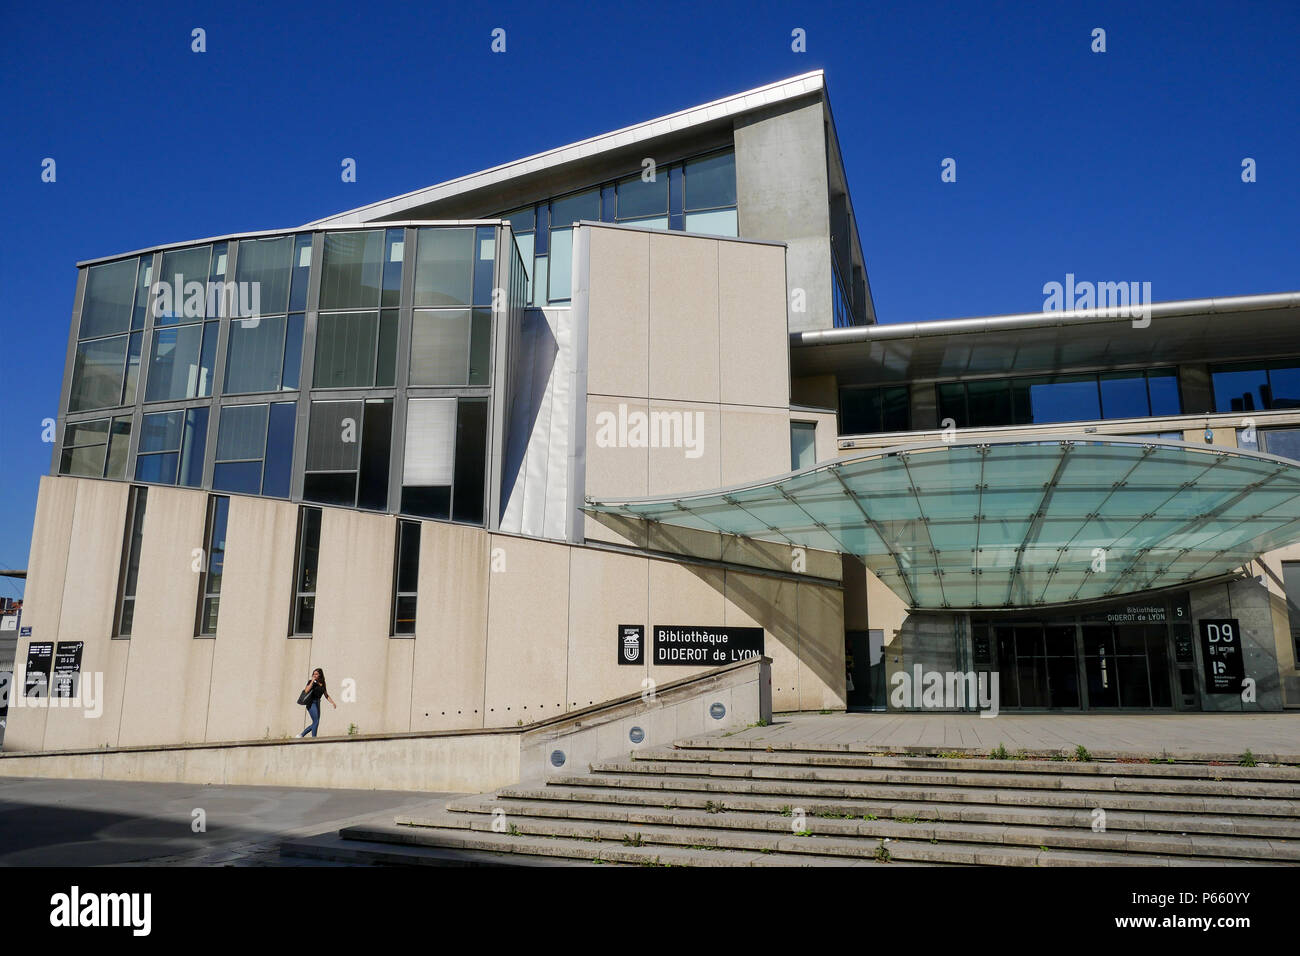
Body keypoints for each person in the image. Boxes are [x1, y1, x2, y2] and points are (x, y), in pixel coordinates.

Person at [297, 668, 336, 738]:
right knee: (316, 721)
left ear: (320, 675)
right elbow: (306, 691)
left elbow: (326, 695)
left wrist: (332, 702)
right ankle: (311, 737)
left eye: (316, 674)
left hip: (318, 703)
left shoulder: (323, 683)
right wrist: (312, 681)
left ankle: (304, 735)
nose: (314, 675)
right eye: (314, 674)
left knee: (316, 722)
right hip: (311, 703)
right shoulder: (311, 682)